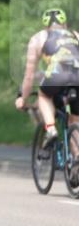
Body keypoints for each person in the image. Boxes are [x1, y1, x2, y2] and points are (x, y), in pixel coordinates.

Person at [15, 8, 79, 146]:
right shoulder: (75, 35)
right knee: (75, 123)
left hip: (58, 76)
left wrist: (23, 98)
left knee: (43, 96)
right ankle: (76, 156)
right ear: (65, 24)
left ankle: (51, 129)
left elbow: (29, 75)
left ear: (45, 26)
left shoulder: (38, 38)